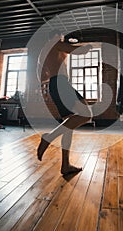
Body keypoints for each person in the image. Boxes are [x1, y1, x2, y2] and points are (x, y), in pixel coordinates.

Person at [37, 33, 92, 175]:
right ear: (56, 36)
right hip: (61, 84)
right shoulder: (56, 44)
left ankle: (65, 165)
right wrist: (90, 45)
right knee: (87, 115)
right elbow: (81, 51)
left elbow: (42, 77)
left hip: (54, 86)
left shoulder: (44, 52)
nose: (63, 39)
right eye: (62, 36)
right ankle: (49, 137)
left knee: (69, 124)